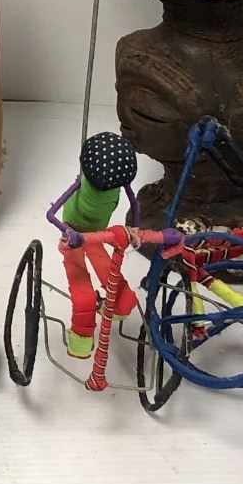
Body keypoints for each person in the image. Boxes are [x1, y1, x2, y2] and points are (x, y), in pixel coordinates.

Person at [46, 132, 182, 358]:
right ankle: (80, 341)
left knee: (118, 286)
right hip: (74, 235)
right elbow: (51, 214)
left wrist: (135, 229)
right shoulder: (84, 183)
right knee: (83, 294)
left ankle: (114, 309)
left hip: (97, 235)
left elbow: (134, 205)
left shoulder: (118, 185)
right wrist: (67, 231)